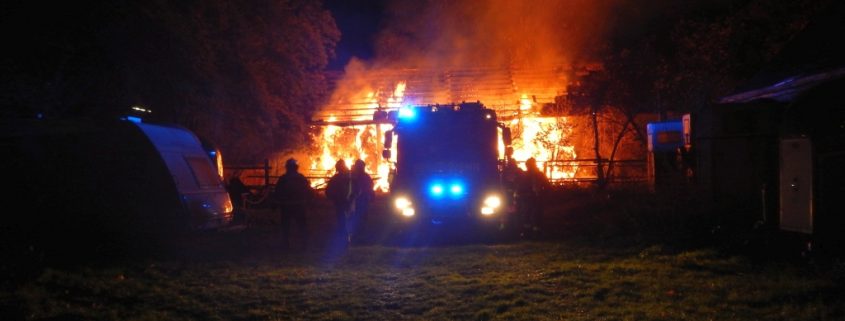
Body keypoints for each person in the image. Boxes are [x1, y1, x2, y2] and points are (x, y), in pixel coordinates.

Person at [271, 158, 315, 250]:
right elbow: (308, 192)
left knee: (286, 226)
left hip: (286, 207)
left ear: (287, 167)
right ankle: (304, 244)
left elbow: (278, 192)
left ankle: (285, 244)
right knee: (301, 226)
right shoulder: (301, 178)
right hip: (299, 206)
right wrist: (310, 202)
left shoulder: (283, 179)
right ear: (296, 167)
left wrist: (275, 204)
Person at [515, 157, 550, 235]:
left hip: (530, 197)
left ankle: (529, 231)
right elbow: (547, 186)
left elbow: (520, 186)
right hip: (534, 197)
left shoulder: (526, 175)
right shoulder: (539, 174)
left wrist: (519, 194)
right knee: (535, 214)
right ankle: (535, 231)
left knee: (528, 213)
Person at [325, 160, 352, 246]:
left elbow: (328, 191)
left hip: (343, 203)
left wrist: (333, 198)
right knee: (346, 220)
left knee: (343, 221)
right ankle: (347, 239)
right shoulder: (351, 176)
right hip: (347, 203)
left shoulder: (338, 178)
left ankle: (345, 239)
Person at [349, 159, 375, 243]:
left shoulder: (363, 177)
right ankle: (356, 236)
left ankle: (359, 237)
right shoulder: (353, 177)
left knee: (361, 219)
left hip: (362, 201)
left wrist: (370, 196)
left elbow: (369, 188)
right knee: (355, 219)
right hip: (354, 202)